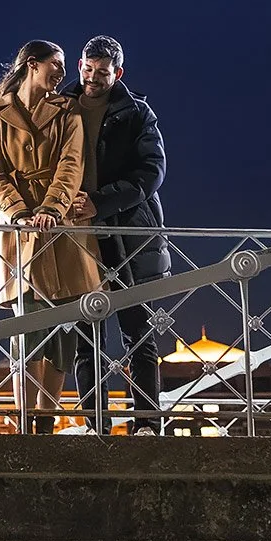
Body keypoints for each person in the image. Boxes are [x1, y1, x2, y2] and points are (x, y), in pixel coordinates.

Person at [0, 38, 102, 429]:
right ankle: (24, 419)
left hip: (64, 228)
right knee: (26, 325)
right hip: (20, 232)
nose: (63, 73)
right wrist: (17, 212)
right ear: (32, 64)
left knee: (64, 330)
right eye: (57, 64)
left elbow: (72, 164)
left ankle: (46, 418)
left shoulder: (68, 111)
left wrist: (51, 208)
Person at [63, 34, 172, 431]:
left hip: (127, 232)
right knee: (85, 337)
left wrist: (101, 202)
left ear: (118, 73)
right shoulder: (59, 107)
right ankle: (97, 426)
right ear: (80, 65)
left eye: (103, 72)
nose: (93, 78)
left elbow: (152, 171)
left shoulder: (137, 112)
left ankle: (146, 424)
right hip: (78, 234)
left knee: (138, 334)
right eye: (88, 69)